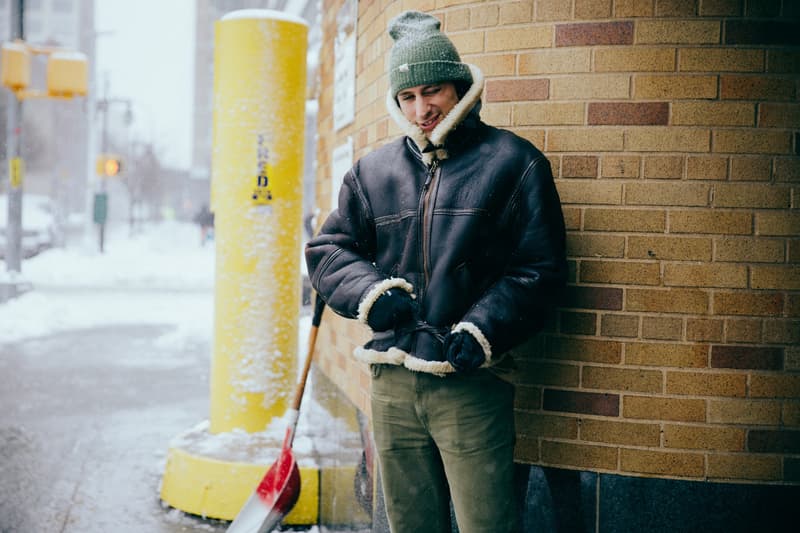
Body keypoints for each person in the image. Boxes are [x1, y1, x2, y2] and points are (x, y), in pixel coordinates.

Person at [305, 10, 567, 533]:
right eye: (407, 97)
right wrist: (372, 294)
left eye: (433, 92)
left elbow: (540, 267)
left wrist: (483, 328)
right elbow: (328, 250)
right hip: (391, 384)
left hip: (469, 380)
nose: (421, 109)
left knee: (484, 522)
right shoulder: (372, 172)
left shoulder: (514, 163)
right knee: (410, 524)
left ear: (459, 88)